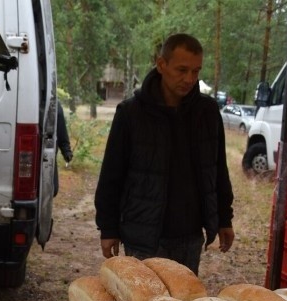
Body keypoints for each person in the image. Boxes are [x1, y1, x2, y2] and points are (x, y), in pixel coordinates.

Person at [93, 33, 235, 275]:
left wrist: (224, 218)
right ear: (161, 65)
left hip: (190, 237)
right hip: (144, 236)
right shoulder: (131, 113)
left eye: (196, 71)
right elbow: (111, 175)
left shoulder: (207, 112)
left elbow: (218, 169)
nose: (189, 79)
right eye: (182, 70)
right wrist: (108, 229)